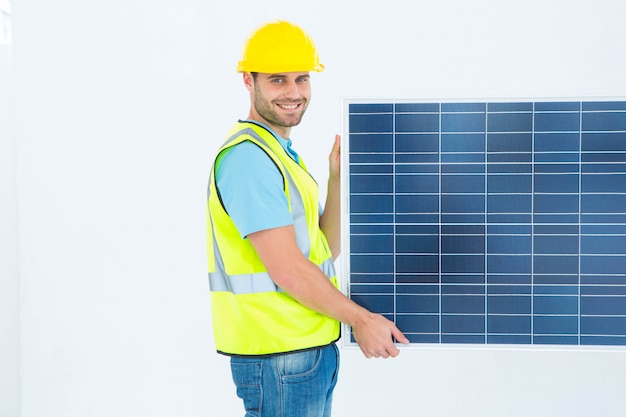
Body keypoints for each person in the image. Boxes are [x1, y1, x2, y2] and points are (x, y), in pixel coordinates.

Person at [206, 20, 409, 417]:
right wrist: (361, 319)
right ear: (248, 81)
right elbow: (288, 270)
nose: (294, 92)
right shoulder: (249, 159)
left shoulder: (281, 155)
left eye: (302, 79)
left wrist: (336, 179)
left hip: (306, 351)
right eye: (277, 80)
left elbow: (324, 249)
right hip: (280, 356)